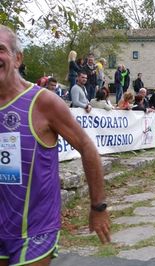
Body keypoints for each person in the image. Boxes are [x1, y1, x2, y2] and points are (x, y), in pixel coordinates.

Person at [0, 25, 110, 266]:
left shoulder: (43, 102)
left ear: (17, 58)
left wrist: (98, 206)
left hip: (35, 229)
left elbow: (87, 146)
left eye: (1, 50)